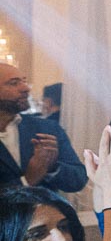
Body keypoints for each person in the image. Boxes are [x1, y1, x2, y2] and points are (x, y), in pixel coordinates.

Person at [0, 63, 86, 193]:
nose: (25, 88)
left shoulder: (46, 128)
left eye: (24, 81)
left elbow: (78, 180)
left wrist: (51, 166)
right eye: (14, 83)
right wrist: (26, 181)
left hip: (48, 212)